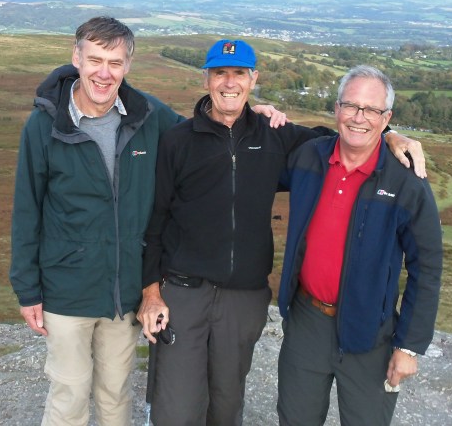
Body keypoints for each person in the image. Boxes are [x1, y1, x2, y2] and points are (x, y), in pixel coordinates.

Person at [8, 18, 286, 426]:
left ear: (128, 65)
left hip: (125, 288)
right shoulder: (45, 125)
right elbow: (27, 208)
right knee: (69, 392)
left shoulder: (148, 115)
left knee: (116, 392)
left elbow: (205, 131)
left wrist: (249, 112)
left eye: (116, 62)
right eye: (96, 60)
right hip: (67, 286)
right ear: (76, 58)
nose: (105, 73)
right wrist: (27, 289)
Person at [137, 42, 427, 426]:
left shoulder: (276, 137)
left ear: (253, 79)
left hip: (244, 297)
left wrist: (390, 135)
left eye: (239, 73)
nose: (229, 82)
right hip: (183, 291)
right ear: (206, 78)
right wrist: (151, 292)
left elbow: (346, 134)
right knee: (175, 410)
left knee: (226, 405)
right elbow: (155, 220)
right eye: (220, 73)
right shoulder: (178, 140)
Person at [276, 65, 443, 426]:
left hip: (371, 332)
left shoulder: (407, 182)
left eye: (371, 110)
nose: (359, 117)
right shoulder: (309, 156)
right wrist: (257, 113)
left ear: (387, 118)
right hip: (307, 321)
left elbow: (426, 267)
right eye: (351, 106)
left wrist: (408, 346)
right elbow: (254, 152)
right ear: (336, 109)